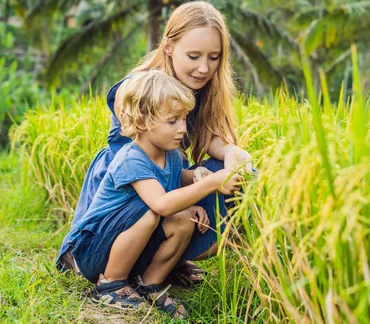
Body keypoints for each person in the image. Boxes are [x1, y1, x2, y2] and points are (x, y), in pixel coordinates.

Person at [58, 1, 253, 285]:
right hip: (130, 196)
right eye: (194, 55)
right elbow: (149, 186)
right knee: (153, 209)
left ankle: (168, 260)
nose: (203, 68)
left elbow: (208, 136)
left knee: (241, 176)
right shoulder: (140, 91)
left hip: (165, 182)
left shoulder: (197, 91)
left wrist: (232, 152)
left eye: (214, 58)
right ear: (169, 47)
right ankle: (120, 271)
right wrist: (202, 184)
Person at [69, 70, 242, 317]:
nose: (182, 129)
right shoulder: (131, 158)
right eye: (173, 121)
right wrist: (212, 182)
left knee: (183, 220)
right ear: (142, 121)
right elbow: (160, 203)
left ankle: (149, 283)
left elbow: (177, 180)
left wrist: (196, 176)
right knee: (150, 214)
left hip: (132, 248)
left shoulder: (170, 155)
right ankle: (110, 284)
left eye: (184, 119)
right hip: (95, 251)